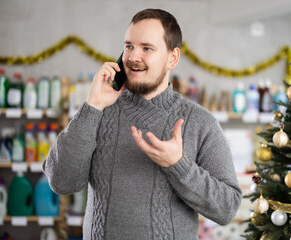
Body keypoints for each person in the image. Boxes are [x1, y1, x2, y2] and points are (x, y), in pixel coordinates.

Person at [43, 8, 242, 240]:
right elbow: (61, 182)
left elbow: (227, 208)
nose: (133, 57)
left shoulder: (201, 122)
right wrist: (92, 105)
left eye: (147, 48)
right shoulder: (98, 111)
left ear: (172, 58)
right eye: (129, 46)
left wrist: (177, 165)